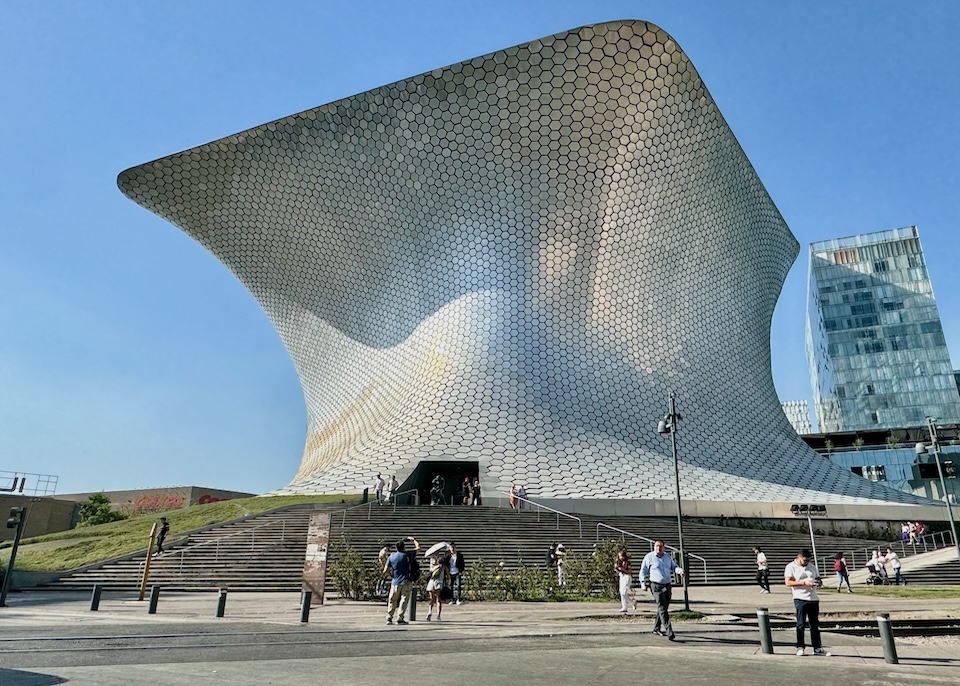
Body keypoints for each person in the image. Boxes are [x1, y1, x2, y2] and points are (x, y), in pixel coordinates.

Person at [784, 548, 829, 656]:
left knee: (814, 624)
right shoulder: (791, 567)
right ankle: (800, 646)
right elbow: (788, 582)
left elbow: (818, 579)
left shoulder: (812, 567)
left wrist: (817, 582)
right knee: (801, 623)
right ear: (798, 557)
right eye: (804, 561)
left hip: (813, 598)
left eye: (808, 561)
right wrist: (804, 582)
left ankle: (817, 647)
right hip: (800, 598)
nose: (806, 563)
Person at [639, 540, 683, 641]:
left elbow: (674, 566)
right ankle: (669, 631)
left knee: (664, 606)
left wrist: (679, 571)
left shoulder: (667, 557)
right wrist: (643, 584)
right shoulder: (649, 557)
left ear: (664, 547)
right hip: (655, 585)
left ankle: (656, 628)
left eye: (660, 546)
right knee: (662, 607)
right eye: (656, 546)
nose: (658, 548)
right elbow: (643, 571)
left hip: (667, 585)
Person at [384, 536, 420, 625]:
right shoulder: (407, 554)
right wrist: (413, 540)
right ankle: (400, 618)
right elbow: (419, 548)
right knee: (404, 600)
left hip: (395, 582)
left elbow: (385, 570)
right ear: (403, 547)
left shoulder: (391, 556)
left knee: (392, 600)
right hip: (406, 581)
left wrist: (391, 575)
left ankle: (389, 617)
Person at [425, 545, 452, 621]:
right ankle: (438, 615)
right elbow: (448, 576)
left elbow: (430, 571)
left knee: (431, 599)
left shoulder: (433, 563)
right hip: (439, 583)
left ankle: (429, 612)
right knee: (438, 599)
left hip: (431, 582)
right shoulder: (444, 566)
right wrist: (448, 584)